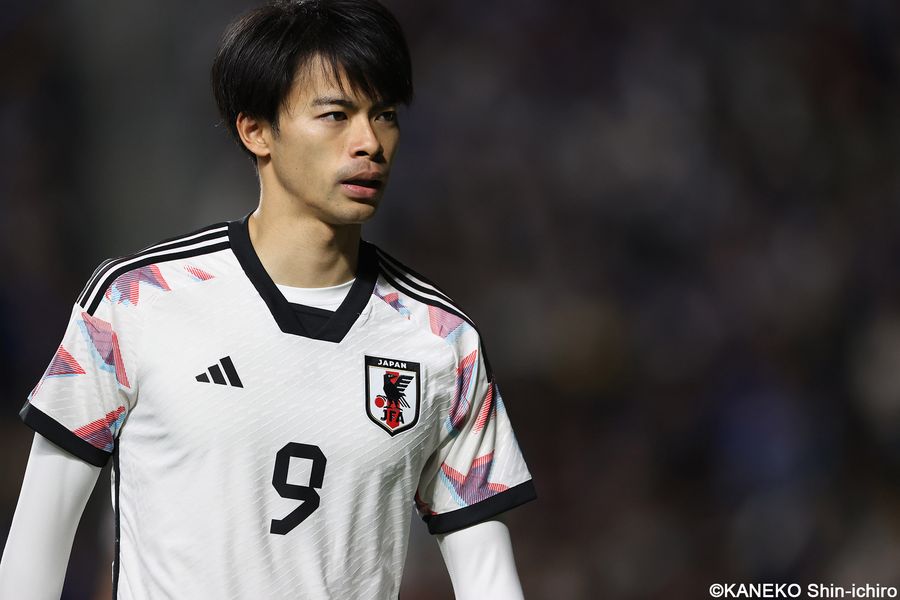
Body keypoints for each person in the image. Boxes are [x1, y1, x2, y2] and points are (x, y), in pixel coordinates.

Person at [0, 0, 536, 598]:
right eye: (335, 115)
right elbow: (37, 545)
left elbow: (488, 577)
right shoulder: (136, 301)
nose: (370, 142)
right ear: (256, 130)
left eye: (384, 115)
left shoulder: (443, 342)